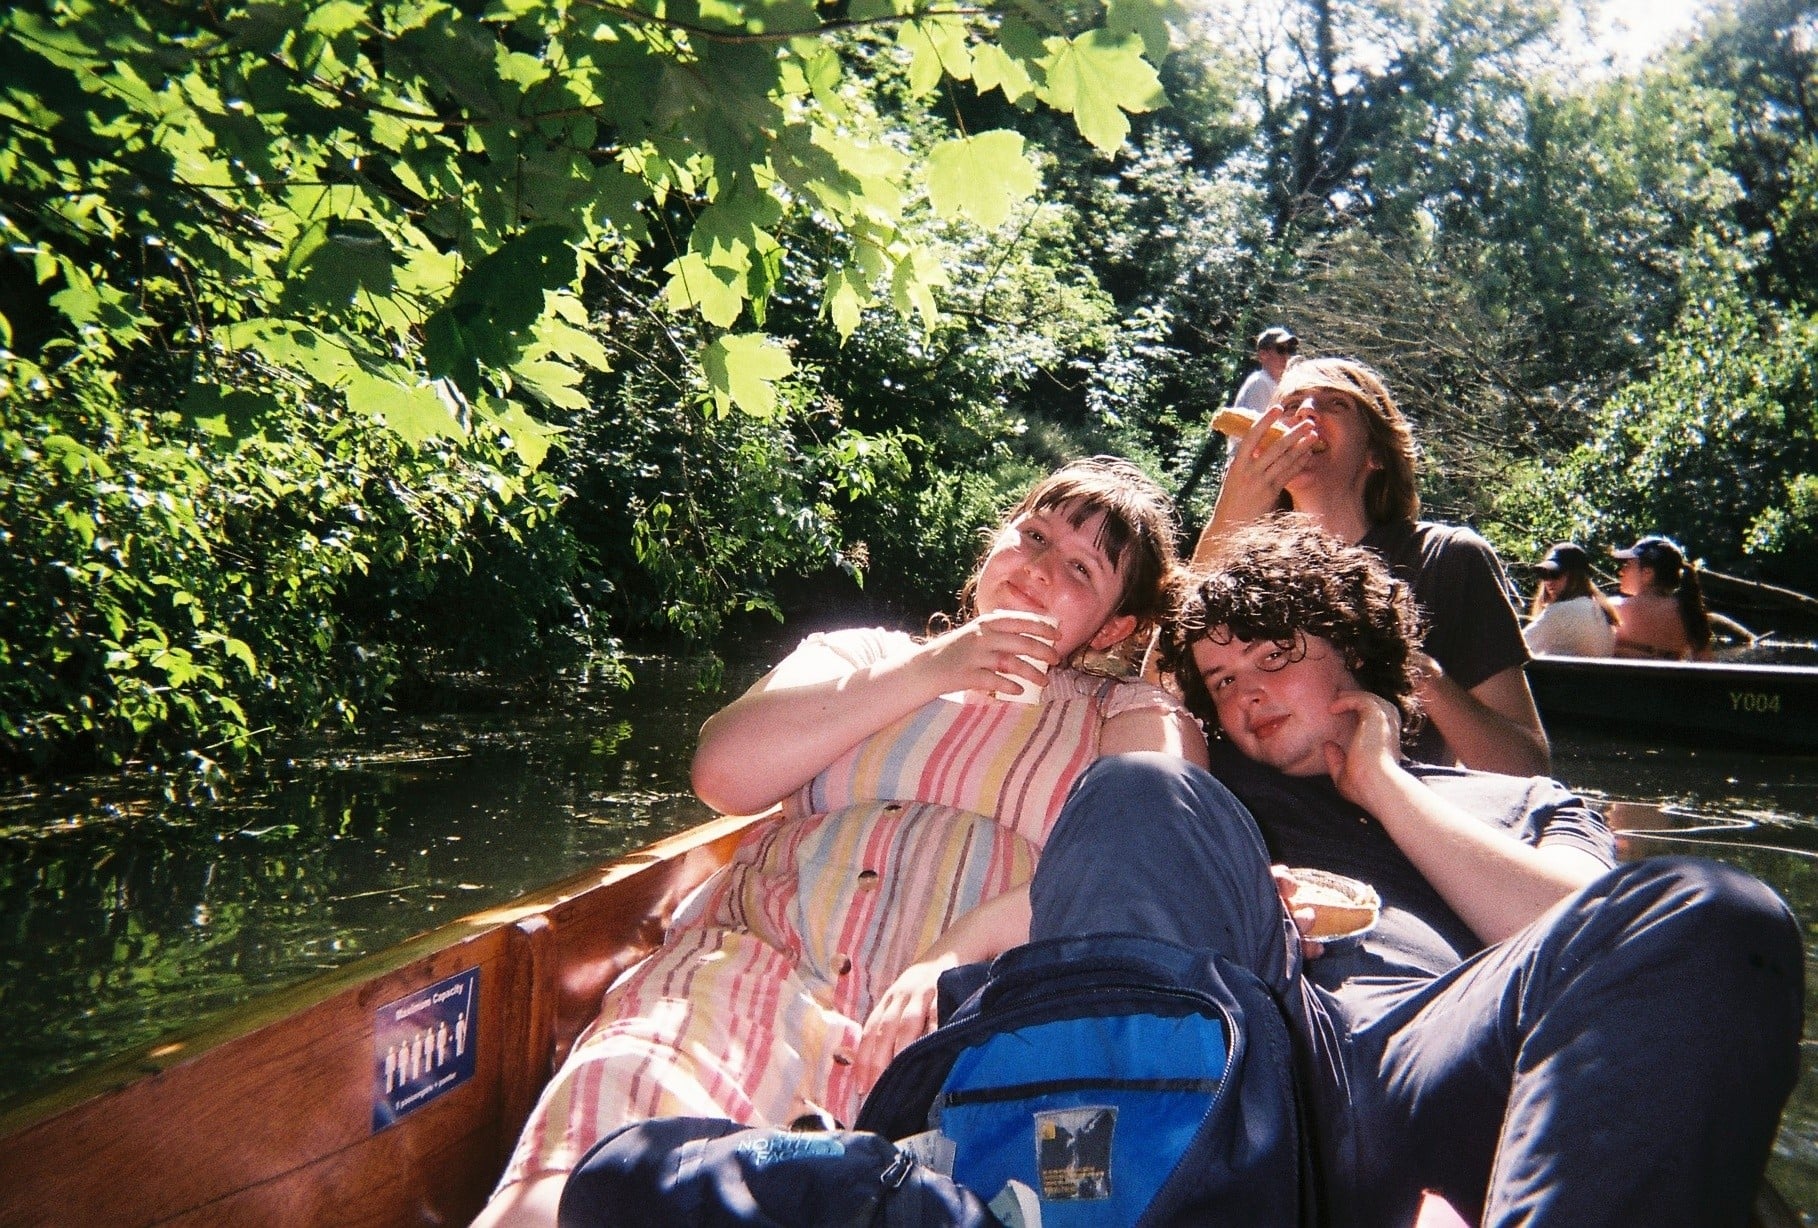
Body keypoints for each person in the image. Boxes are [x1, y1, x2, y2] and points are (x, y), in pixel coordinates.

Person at [472, 457, 1206, 1227]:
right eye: (1031, 535)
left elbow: (1150, 866)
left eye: (1079, 568)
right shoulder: (860, 653)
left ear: (1115, 627)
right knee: (571, 1184)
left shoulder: (1130, 712)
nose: (1038, 566)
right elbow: (724, 776)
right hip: (751, 968)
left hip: (969, 1028)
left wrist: (953, 956)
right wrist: (934, 668)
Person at [1028, 515, 1802, 1228]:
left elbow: (1593, 939)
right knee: (1134, 786)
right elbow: (1105, 853)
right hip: (1253, 1055)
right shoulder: (1206, 789)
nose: (1248, 692)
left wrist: (1382, 784)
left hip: (1449, 1061)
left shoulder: (1523, 800)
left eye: (1272, 657)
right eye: (1224, 681)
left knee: (1719, 910)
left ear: (1356, 655)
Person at [1198, 355, 1549, 776]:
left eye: (1335, 404)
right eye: (1291, 406)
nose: (1306, 412)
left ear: (1376, 455)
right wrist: (1227, 519)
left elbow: (1529, 770)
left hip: (1394, 822)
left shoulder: (1447, 559)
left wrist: (1416, 669)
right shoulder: (1235, 566)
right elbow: (1156, 697)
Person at [1610, 535, 1713, 660]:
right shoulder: (1690, 613)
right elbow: (1707, 662)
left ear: (1647, 573)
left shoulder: (1614, 609)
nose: (1621, 571)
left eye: (1628, 564)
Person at [1523, 541, 1618, 656]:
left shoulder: (1563, 610)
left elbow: (1516, 647)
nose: (1548, 581)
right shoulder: (1600, 609)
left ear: (1575, 576)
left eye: (1555, 573)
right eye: (1544, 574)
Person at [1231, 325, 1299, 413]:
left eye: (1290, 350)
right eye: (1280, 350)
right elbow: (1257, 424)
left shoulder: (1279, 385)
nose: (1286, 355)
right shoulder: (1260, 382)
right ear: (1263, 354)